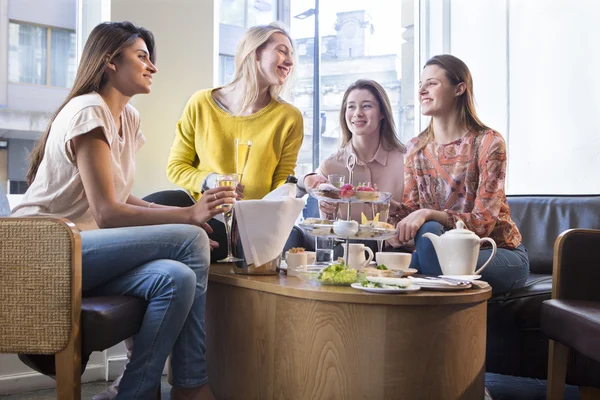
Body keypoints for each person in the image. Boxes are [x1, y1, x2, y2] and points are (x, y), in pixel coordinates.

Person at [11, 21, 234, 400]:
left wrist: (174, 218)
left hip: (82, 249)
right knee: (192, 237)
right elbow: (108, 213)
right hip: (41, 250)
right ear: (110, 61)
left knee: (176, 277)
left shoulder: (127, 119)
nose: (153, 66)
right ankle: (191, 385)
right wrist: (187, 217)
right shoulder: (87, 110)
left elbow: (121, 194)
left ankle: (134, 391)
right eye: (142, 56)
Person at [391, 54, 529, 294]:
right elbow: (412, 213)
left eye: (432, 83)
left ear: (459, 88)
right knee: (404, 253)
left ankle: (437, 321)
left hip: (496, 252)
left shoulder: (489, 142)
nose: (422, 90)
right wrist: (379, 208)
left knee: (426, 251)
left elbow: (482, 225)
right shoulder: (415, 149)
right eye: (421, 84)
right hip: (437, 249)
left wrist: (429, 213)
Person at [166, 22, 304, 262]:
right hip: (208, 220)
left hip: (258, 226)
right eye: (282, 51)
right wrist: (211, 181)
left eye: (291, 54)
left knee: (287, 242)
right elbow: (176, 167)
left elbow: (282, 180)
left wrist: (255, 219)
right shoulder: (200, 104)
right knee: (161, 201)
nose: (290, 61)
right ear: (255, 52)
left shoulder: (289, 117)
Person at [300, 80, 406, 252]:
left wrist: (390, 207)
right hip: (344, 253)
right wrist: (326, 209)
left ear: (382, 113)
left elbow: (416, 215)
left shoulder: (405, 161)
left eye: (366, 106)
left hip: (393, 253)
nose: (357, 113)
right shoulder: (330, 166)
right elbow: (324, 230)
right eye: (351, 107)